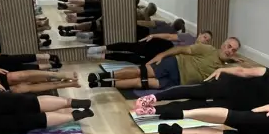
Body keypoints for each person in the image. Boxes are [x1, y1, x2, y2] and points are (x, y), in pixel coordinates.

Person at [88, 37, 241, 91]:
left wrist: (231, 61)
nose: (229, 51)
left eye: (233, 50)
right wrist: (161, 55)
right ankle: (102, 75)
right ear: (223, 44)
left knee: (142, 83)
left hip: (177, 81)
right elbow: (181, 49)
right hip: (174, 64)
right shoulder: (207, 49)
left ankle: (102, 84)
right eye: (229, 46)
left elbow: (241, 72)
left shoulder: (224, 68)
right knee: (140, 72)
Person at [133, 66, 269, 114]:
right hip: (223, 86)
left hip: (226, 105)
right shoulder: (266, 73)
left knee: (191, 107)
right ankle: (153, 97)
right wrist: (222, 70)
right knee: (190, 91)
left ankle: (153, 110)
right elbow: (242, 71)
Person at [93, 25, 200, 64]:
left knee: (133, 59)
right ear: (200, 35)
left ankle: (104, 56)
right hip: (161, 46)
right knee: (132, 47)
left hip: (166, 58)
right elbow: (169, 36)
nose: (205, 40)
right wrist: (153, 36)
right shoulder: (189, 37)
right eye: (205, 37)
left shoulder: (200, 50)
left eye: (208, 40)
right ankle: (104, 48)